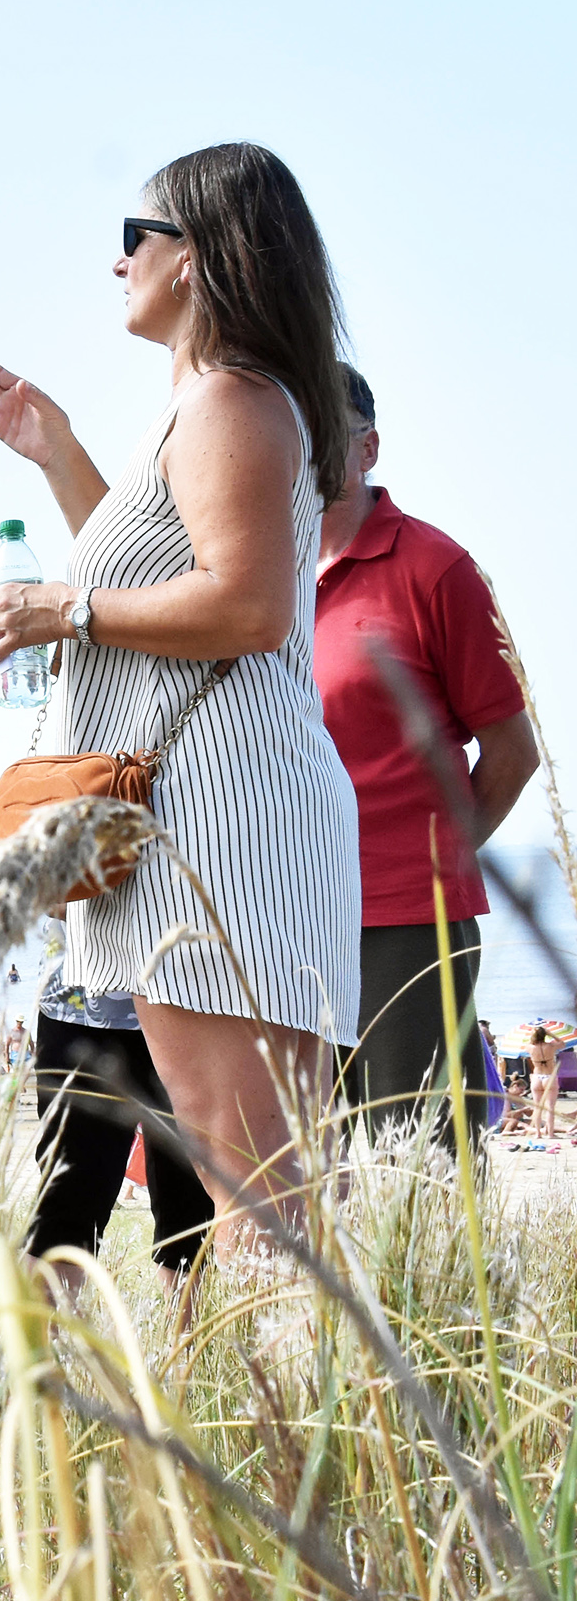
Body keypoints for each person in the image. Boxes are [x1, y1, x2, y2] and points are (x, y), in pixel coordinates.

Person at [0, 143, 361, 1260]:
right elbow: (163, 574)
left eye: (136, 234)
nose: (118, 261)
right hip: (216, 802)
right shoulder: (214, 405)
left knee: (255, 1192)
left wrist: (63, 610)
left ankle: (277, 1430)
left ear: (200, 254)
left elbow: (245, 605)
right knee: (266, 1179)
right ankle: (292, 1423)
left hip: (219, 809)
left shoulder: (232, 397)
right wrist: (62, 454)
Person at [314, 364, 536, 1144]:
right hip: (280, 921)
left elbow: (512, 749)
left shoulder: (436, 567)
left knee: (416, 1174)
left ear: (367, 447)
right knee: (309, 1178)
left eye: (323, 426)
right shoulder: (256, 576)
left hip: (405, 925)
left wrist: (431, 857)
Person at [24, 923, 211, 1284]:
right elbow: (25, 881)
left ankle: (190, 1341)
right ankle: (43, 1341)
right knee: (65, 1208)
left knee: (192, 1216)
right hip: (81, 998)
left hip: (195, 991)